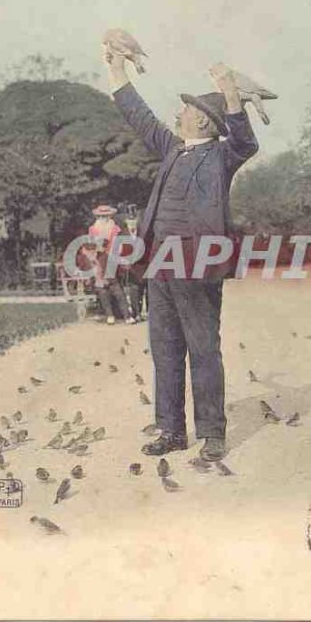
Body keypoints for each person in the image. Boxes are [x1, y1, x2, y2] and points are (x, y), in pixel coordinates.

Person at [104, 44, 259, 461]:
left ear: (205, 121)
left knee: (204, 349)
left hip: (198, 265)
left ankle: (212, 435)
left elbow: (245, 141)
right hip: (159, 266)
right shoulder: (173, 148)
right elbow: (141, 116)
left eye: (188, 109)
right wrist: (118, 71)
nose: (179, 113)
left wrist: (229, 93)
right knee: (166, 350)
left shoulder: (223, 155)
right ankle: (171, 430)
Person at [88, 204, 135, 325]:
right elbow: (92, 245)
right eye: (101, 216)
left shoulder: (114, 228)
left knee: (114, 284)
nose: (104, 218)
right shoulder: (94, 229)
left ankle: (125, 315)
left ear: (109, 216)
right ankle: (110, 314)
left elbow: (118, 244)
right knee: (102, 287)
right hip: (99, 258)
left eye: (106, 215)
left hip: (111, 257)